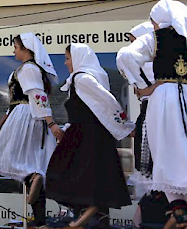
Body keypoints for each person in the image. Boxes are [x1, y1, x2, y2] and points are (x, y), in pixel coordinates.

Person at [116, 0, 187, 229]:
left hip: (165, 98)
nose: (153, 26)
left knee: (166, 150)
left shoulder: (154, 39)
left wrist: (143, 85)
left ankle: (178, 207)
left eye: (154, 21)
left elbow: (125, 57)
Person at [46, 43, 134, 228]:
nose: (65, 62)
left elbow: (106, 102)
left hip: (86, 137)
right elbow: (88, 109)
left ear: (78, 59)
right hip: (89, 135)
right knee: (91, 177)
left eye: (68, 58)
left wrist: (124, 126)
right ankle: (92, 214)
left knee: (68, 174)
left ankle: (89, 211)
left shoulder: (83, 78)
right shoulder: (87, 77)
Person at [0, 33, 60, 227]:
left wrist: (51, 123)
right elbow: (11, 104)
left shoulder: (29, 69)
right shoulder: (28, 69)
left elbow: (37, 95)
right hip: (26, 115)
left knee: (5, 157)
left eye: (16, 47)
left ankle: (31, 178)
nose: (13, 51)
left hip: (26, 116)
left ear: (26, 49)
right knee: (32, 163)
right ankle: (40, 221)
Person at [122, 22, 156, 199]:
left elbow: (155, 88)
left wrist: (142, 91)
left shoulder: (152, 65)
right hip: (146, 114)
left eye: (135, 41)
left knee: (151, 168)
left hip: (153, 114)